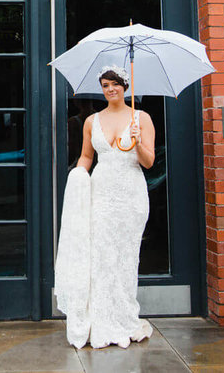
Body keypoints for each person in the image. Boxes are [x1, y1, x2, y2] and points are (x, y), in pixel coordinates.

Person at [54, 65, 156, 349]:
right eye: (105, 85)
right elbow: (87, 156)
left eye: (115, 84)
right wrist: (78, 176)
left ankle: (124, 318)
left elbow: (148, 162)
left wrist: (137, 142)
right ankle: (99, 320)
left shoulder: (142, 118)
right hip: (101, 194)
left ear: (125, 86)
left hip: (131, 195)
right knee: (101, 257)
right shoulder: (91, 121)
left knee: (125, 258)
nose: (110, 90)